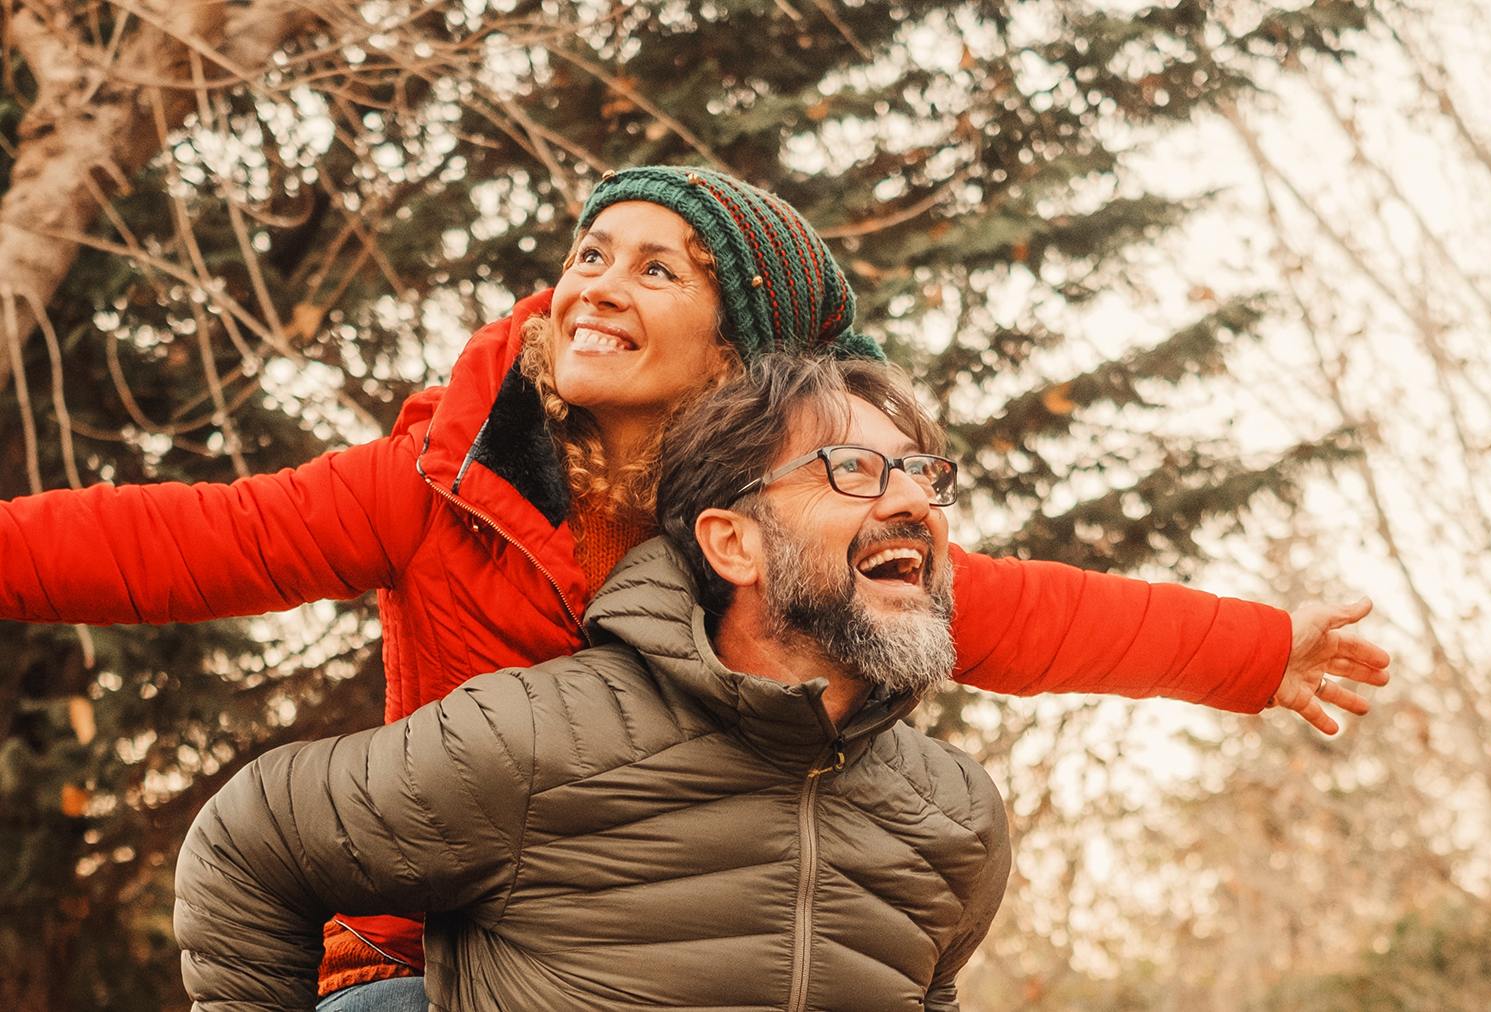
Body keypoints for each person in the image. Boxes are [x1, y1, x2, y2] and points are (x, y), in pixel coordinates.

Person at [0, 167, 1389, 995]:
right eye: (588, 253)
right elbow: (181, 540)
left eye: (657, 269)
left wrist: (1256, 651)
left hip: (646, 946)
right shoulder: (437, 481)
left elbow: (1014, 610)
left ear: (737, 352)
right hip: (420, 958)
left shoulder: (774, 520)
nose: (594, 284)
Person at [174, 356, 1014, 1012]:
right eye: (857, 469)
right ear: (733, 545)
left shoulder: (956, 817)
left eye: (922, 474)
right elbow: (252, 844)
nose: (914, 502)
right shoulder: (538, 738)